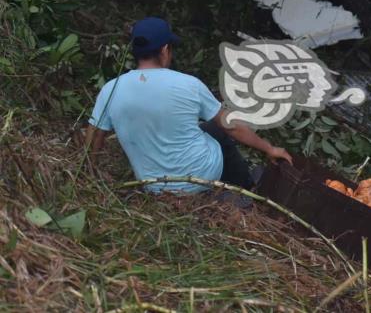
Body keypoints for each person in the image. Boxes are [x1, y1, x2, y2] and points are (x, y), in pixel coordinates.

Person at [84, 17, 293, 196]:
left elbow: (95, 134)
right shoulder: (188, 84)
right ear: (165, 50)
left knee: (199, 129)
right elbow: (231, 125)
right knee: (216, 128)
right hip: (200, 178)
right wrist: (269, 148)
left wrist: (90, 172)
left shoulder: (111, 89)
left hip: (153, 187)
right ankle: (247, 187)